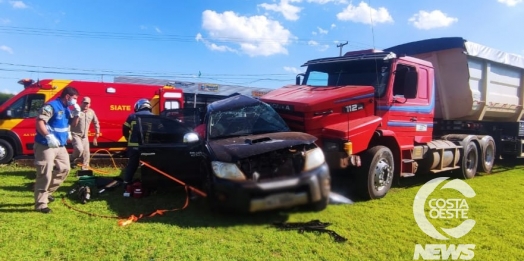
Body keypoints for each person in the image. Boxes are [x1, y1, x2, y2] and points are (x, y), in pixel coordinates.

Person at [33, 86, 81, 213]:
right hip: (46, 145)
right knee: (45, 174)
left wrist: (77, 114)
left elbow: (72, 125)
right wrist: (47, 136)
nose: (75, 101)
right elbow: (40, 121)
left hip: (60, 145)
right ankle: (41, 204)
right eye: (75, 98)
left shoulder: (66, 109)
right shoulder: (51, 106)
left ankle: (47, 193)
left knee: (65, 169)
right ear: (67, 96)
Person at [122, 98, 153, 186]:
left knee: (132, 164)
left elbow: (124, 129)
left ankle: (126, 182)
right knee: (148, 165)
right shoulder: (153, 117)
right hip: (147, 146)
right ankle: (148, 184)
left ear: (138, 106)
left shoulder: (132, 116)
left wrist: (128, 138)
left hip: (133, 145)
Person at [70, 96, 100, 170]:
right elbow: (68, 122)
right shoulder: (76, 110)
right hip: (75, 134)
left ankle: (85, 170)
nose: (86, 105)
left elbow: (96, 123)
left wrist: (97, 134)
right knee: (79, 149)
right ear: (81, 103)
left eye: (88, 103)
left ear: (90, 104)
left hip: (85, 136)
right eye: (85, 103)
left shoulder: (91, 112)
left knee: (86, 154)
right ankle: (70, 158)